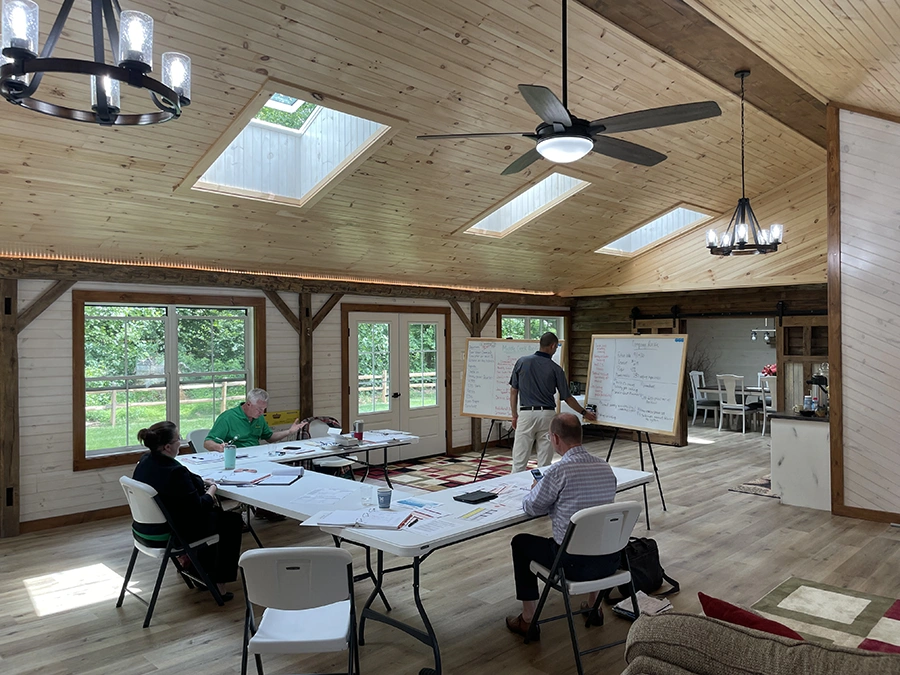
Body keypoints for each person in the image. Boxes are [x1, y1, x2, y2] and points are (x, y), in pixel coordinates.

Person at [505, 413, 619, 639]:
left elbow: (532, 507)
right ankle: (593, 606)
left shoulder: (558, 471)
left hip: (571, 564)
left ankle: (528, 619)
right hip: (609, 560)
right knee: (593, 536)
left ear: (555, 438)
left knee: (520, 543)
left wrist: (537, 488)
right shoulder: (605, 468)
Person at [132, 421, 244, 601]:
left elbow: (183, 486)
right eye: (178, 439)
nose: (181, 442)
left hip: (144, 530)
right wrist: (212, 489)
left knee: (217, 518)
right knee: (231, 521)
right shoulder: (175, 472)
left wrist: (200, 483)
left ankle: (200, 571)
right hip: (170, 534)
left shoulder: (145, 461)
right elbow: (199, 507)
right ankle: (218, 582)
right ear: (168, 447)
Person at [509, 332, 597, 473]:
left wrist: (514, 415)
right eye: (556, 348)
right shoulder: (556, 369)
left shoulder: (522, 362)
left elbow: (514, 391)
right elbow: (568, 398)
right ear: (553, 346)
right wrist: (584, 412)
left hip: (526, 413)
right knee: (545, 460)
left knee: (519, 459)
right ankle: (543, 484)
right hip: (547, 414)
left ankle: (515, 485)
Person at [203, 388, 302, 452]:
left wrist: (289, 432)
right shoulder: (227, 418)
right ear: (248, 404)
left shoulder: (259, 418)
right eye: (259, 409)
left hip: (256, 455)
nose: (262, 413)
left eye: (264, 409)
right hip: (236, 456)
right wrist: (219, 447)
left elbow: (269, 437)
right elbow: (207, 443)